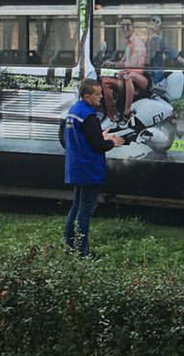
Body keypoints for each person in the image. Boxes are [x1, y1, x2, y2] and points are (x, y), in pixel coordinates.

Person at [63, 78, 124, 258]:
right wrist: (111, 142)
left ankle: (70, 244)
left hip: (76, 166)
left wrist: (100, 135)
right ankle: (83, 252)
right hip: (89, 168)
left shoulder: (74, 111)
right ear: (86, 95)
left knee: (76, 206)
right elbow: (98, 145)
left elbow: (79, 137)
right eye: (97, 95)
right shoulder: (89, 116)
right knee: (85, 210)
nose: (101, 98)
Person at [101, 18, 149, 122]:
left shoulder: (137, 44)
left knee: (128, 76)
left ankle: (123, 113)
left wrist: (116, 67)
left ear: (133, 28)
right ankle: (112, 113)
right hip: (129, 76)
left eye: (128, 26)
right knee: (105, 80)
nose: (125, 29)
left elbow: (133, 66)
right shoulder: (128, 44)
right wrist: (111, 64)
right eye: (123, 26)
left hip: (139, 79)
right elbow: (124, 62)